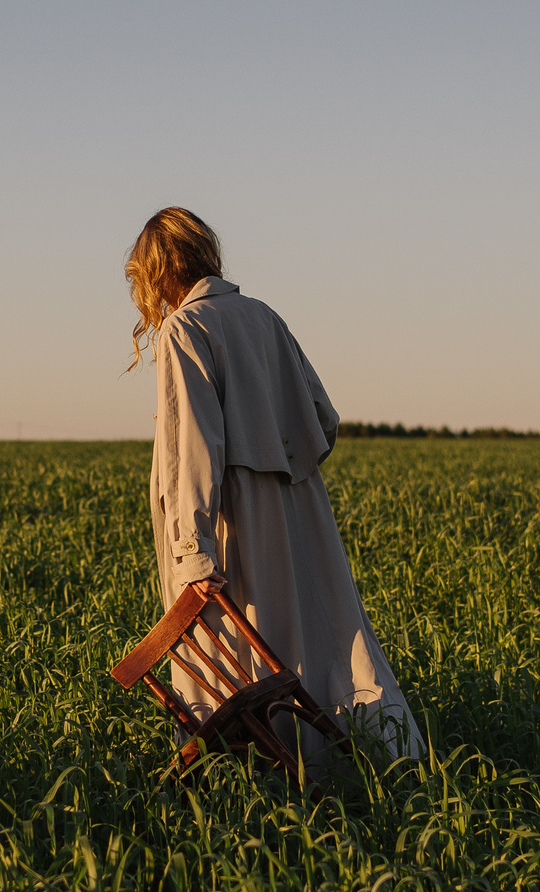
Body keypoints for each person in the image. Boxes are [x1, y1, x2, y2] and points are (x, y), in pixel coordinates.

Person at [126, 207, 417, 779]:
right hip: (299, 507)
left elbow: (192, 452)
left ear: (157, 271)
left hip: (234, 522)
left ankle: (264, 779)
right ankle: (370, 766)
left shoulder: (185, 328)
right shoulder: (265, 317)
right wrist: (284, 468)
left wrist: (194, 555)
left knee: (252, 643)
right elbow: (323, 418)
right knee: (322, 636)